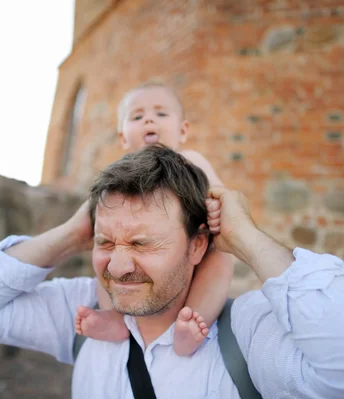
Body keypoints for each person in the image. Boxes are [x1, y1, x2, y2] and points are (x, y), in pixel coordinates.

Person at [0, 145, 344, 399]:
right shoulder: (80, 314)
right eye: (106, 243)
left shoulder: (244, 335)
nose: (117, 267)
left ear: (198, 243)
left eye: (142, 243)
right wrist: (71, 234)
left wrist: (245, 238)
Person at [75, 82, 234, 356]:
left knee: (222, 257)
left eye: (161, 114)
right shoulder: (120, 172)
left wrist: (217, 207)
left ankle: (195, 320)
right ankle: (113, 317)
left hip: (192, 245)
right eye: (137, 117)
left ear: (183, 130)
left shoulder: (190, 159)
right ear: (123, 137)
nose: (149, 119)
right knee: (108, 253)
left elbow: (221, 194)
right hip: (133, 248)